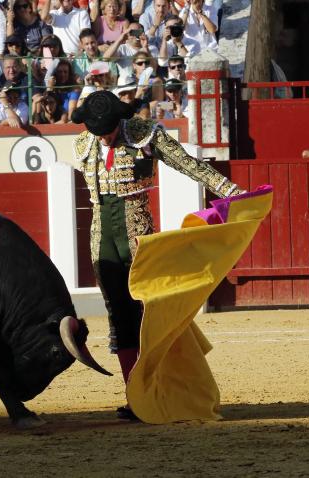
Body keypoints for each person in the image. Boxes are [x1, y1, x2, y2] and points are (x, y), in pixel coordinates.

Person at [69, 90, 243, 420]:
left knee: (151, 314)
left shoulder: (143, 134)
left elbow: (189, 166)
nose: (103, 136)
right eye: (97, 130)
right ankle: (137, 396)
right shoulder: (83, 144)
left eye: (106, 129)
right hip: (101, 239)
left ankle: (164, 389)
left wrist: (231, 191)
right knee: (118, 317)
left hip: (138, 238)